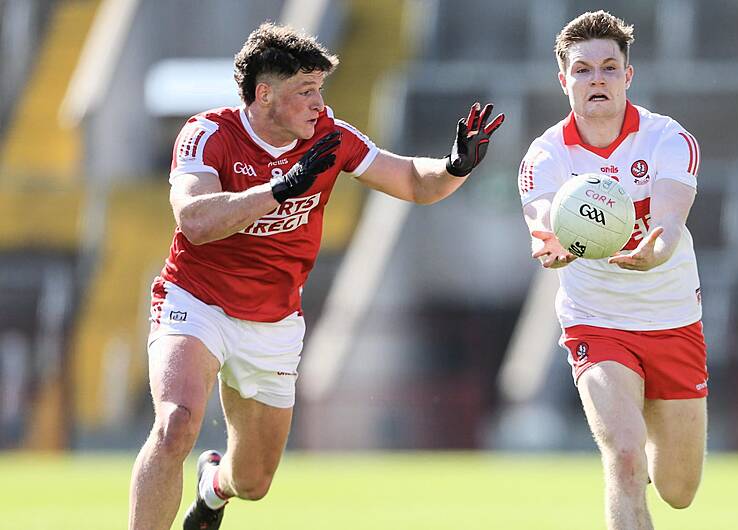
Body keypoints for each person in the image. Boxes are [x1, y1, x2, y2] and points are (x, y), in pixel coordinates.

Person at [128, 22, 504, 530]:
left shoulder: (331, 136)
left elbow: (414, 182)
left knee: (254, 483)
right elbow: (194, 221)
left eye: (319, 90)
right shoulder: (208, 134)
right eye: (305, 91)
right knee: (175, 425)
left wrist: (455, 166)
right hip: (197, 302)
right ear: (264, 94)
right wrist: (280, 189)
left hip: (274, 321)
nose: (318, 103)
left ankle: (213, 488)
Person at [518, 10, 705, 530]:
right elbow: (541, 219)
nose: (595, 78)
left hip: (671, 317)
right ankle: (628, 437)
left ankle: (648, 434)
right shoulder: (545, 154)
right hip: (595, 320)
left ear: (628, 75)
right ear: (564, 80)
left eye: (607, 67)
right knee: (623, 457)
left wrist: (655, 252)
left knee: (679, 491)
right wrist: (549, 243)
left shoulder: (668, 139)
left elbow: (668, 223)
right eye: (582, 69)